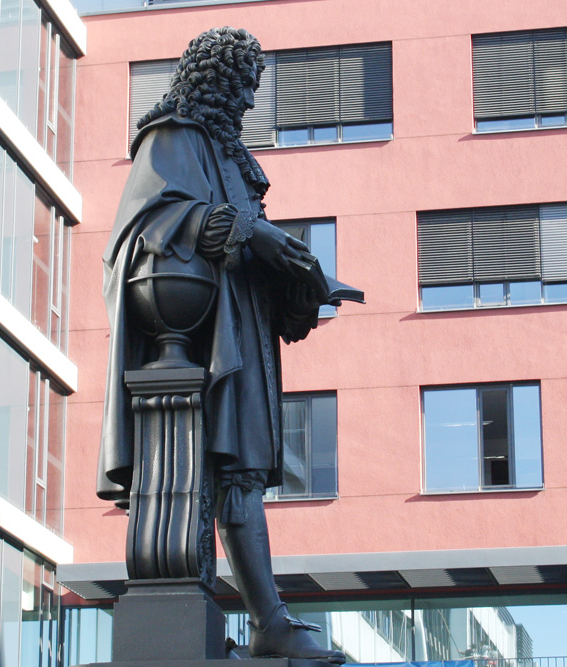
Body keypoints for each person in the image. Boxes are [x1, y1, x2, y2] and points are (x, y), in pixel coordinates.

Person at [96, 27, 346, 664]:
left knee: (243, 476)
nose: (248, 97)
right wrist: (254, 236)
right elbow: (148, 225)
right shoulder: (172, 136)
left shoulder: (231, 156)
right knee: (218, 470)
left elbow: (239, 241)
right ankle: (261, 616)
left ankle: (270, 621)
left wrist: (297, 277)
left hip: (241, 328)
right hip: (198, 338)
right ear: (216, 80)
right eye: (242, 83)